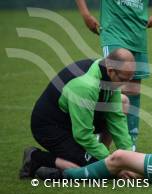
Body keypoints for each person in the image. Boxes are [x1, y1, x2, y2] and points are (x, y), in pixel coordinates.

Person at [20, 48, 136, 179]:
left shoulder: (109, 76)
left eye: (129, 79)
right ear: (110, 71)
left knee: (122, 102)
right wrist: (110, 161)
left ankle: (93, 156)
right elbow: (83, 134)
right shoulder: (86, 86)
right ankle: (36, 158)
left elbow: (115, 118)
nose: (125, 84)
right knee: (87, 169)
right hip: (49, 127)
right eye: (123, 79)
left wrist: (129, 158)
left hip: (73, 120)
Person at [76, 0, 152, 151]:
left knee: (133, 91)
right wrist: (85, 14)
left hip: (138, 34)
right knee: (112, 88)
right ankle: (97, 142)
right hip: (113, 32)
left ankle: (130, 145)